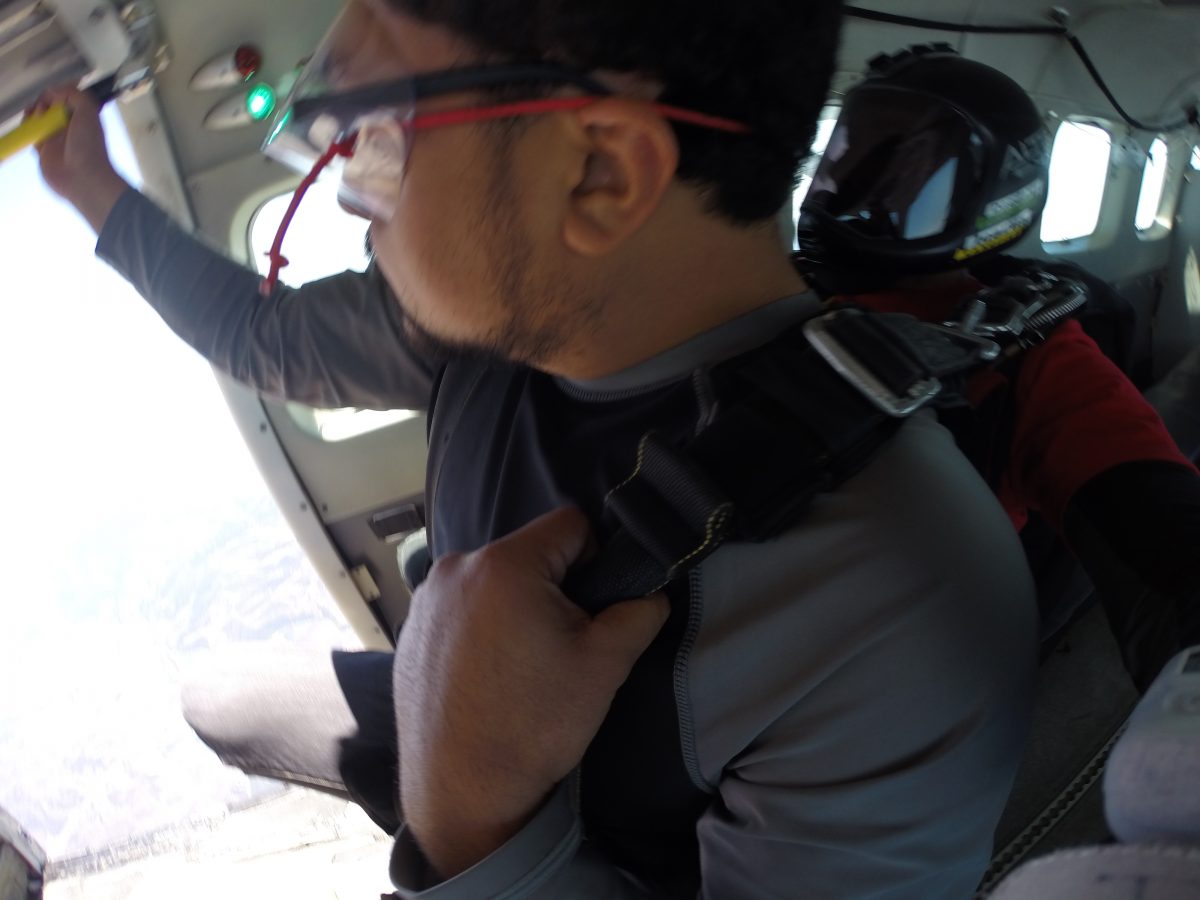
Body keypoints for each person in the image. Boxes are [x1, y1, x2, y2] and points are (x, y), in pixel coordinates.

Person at [33, 2, 1038, 896]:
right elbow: (269, 340)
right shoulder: (477, 328)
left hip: (522, 809)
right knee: (219, 700)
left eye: (376, 136)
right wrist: (91, 189)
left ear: (598, 173)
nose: (349, 199)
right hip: (463, 707)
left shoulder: (903, 596)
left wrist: (470, 824)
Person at [797, 45, 1200, 690]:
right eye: (847, 150)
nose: (848, 183)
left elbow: (1161, 529)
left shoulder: (1028, 351)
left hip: (892, 668)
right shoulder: (769, 293)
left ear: (993, 195)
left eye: (898, 165)